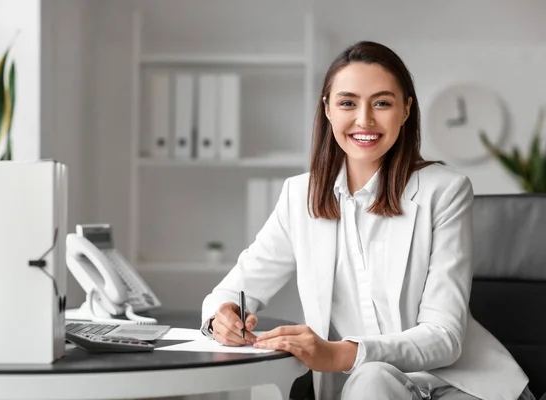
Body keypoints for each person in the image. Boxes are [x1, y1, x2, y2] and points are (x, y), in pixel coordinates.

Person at [200, 41, 534, 400]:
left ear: (405, 110)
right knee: (371, 379)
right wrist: (223, 316)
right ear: (327, 109)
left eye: (382, 103)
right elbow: (231, 290)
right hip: (373, 389)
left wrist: (342, 353)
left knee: (371, 377)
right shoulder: (301, 195)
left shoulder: (445, 191)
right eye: (347, 102)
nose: (364, 120)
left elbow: (444, 338)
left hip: (463, 386)